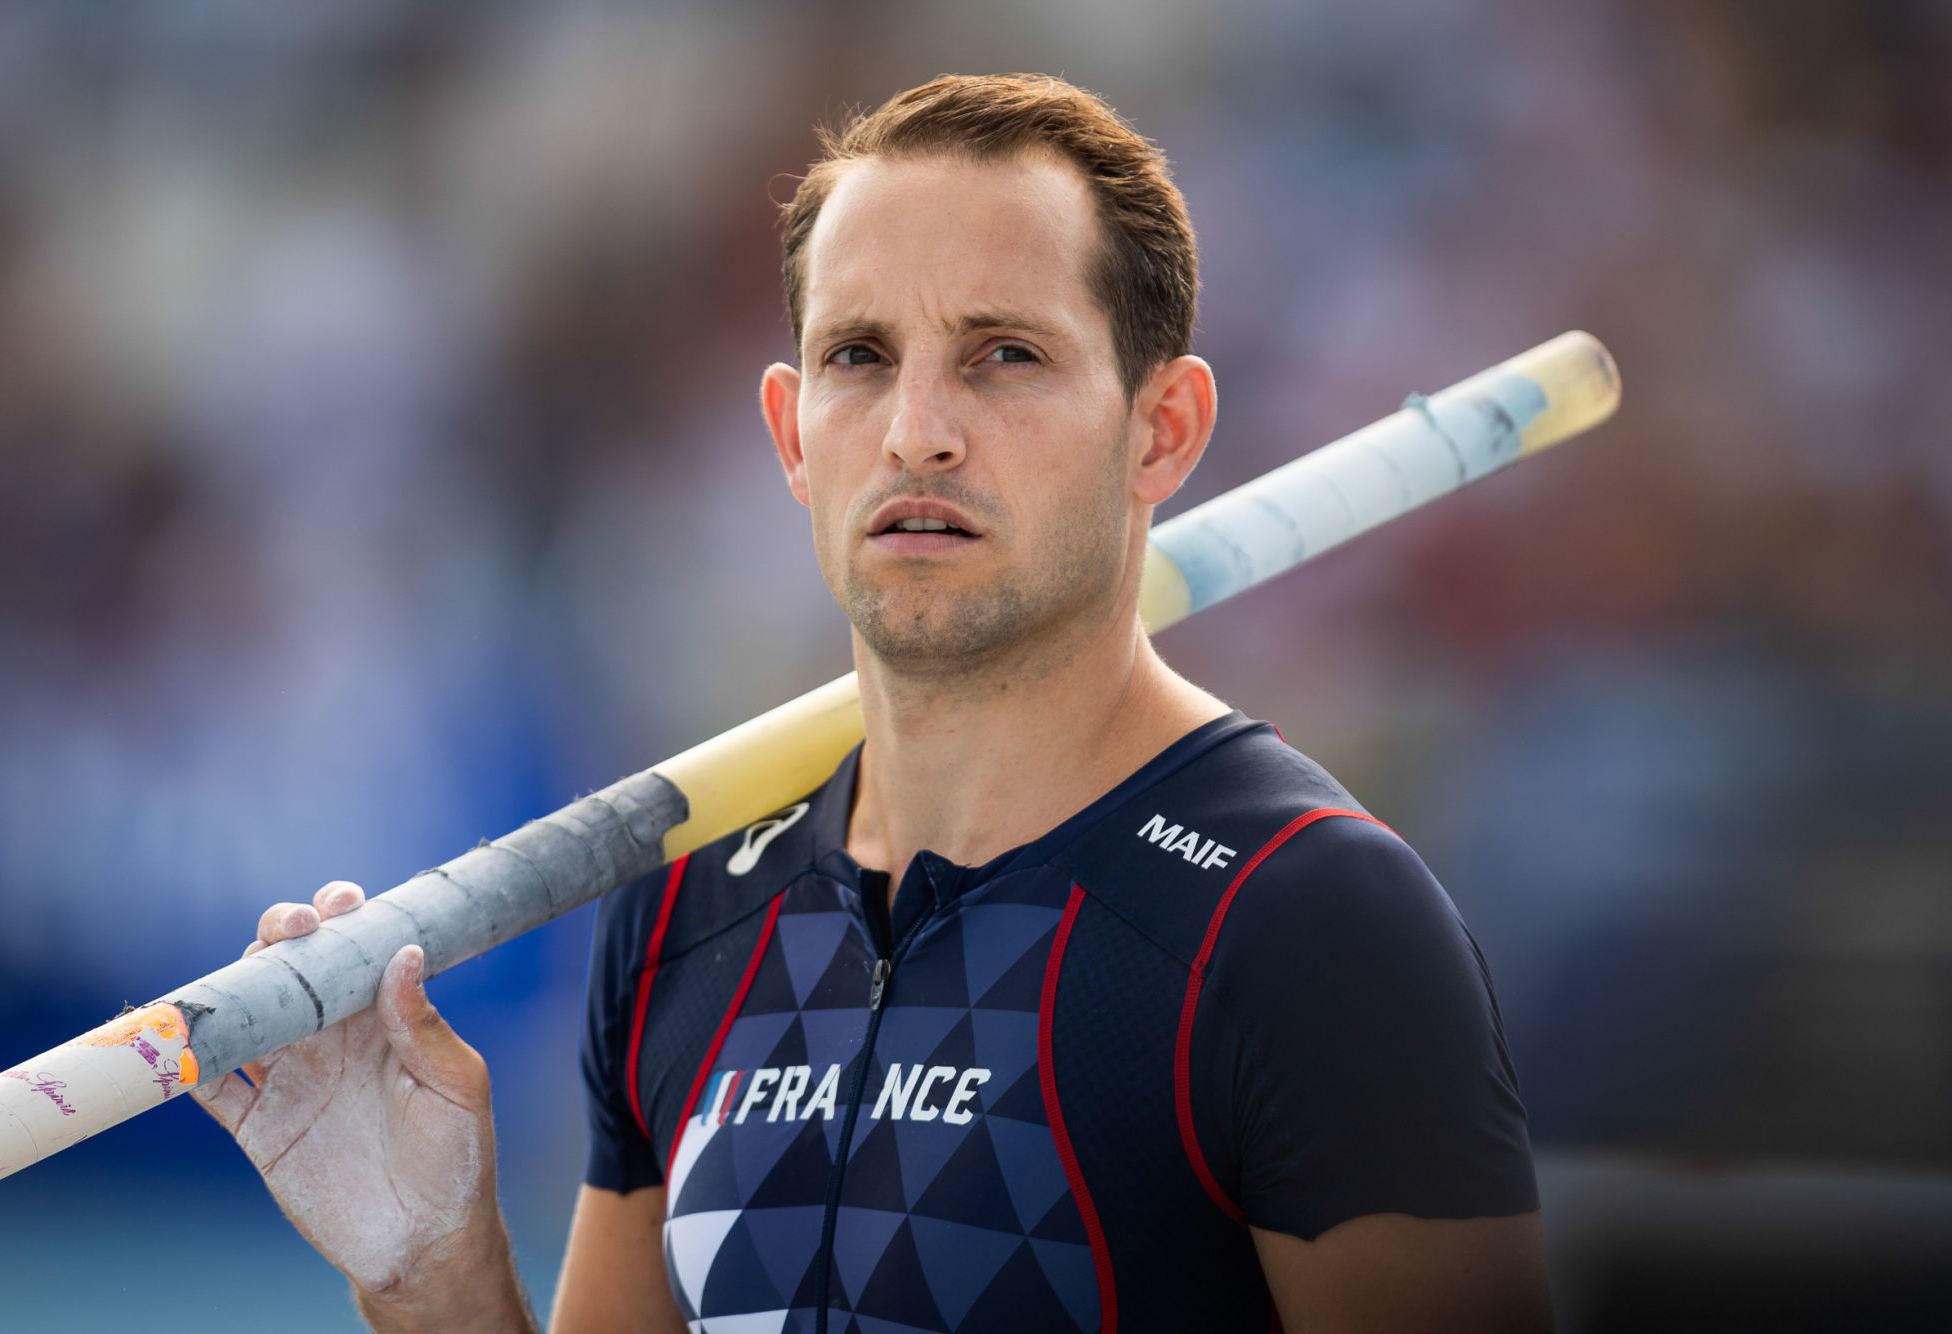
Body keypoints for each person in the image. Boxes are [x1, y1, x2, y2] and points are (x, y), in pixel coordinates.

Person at [197, 74, 1552, 1333]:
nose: (916, 429)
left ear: (1162, 430)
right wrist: (430, 1271)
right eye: (858, 354)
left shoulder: (1307, 922)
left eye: (1003, 353)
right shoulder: (683, 911)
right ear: (791, 435)